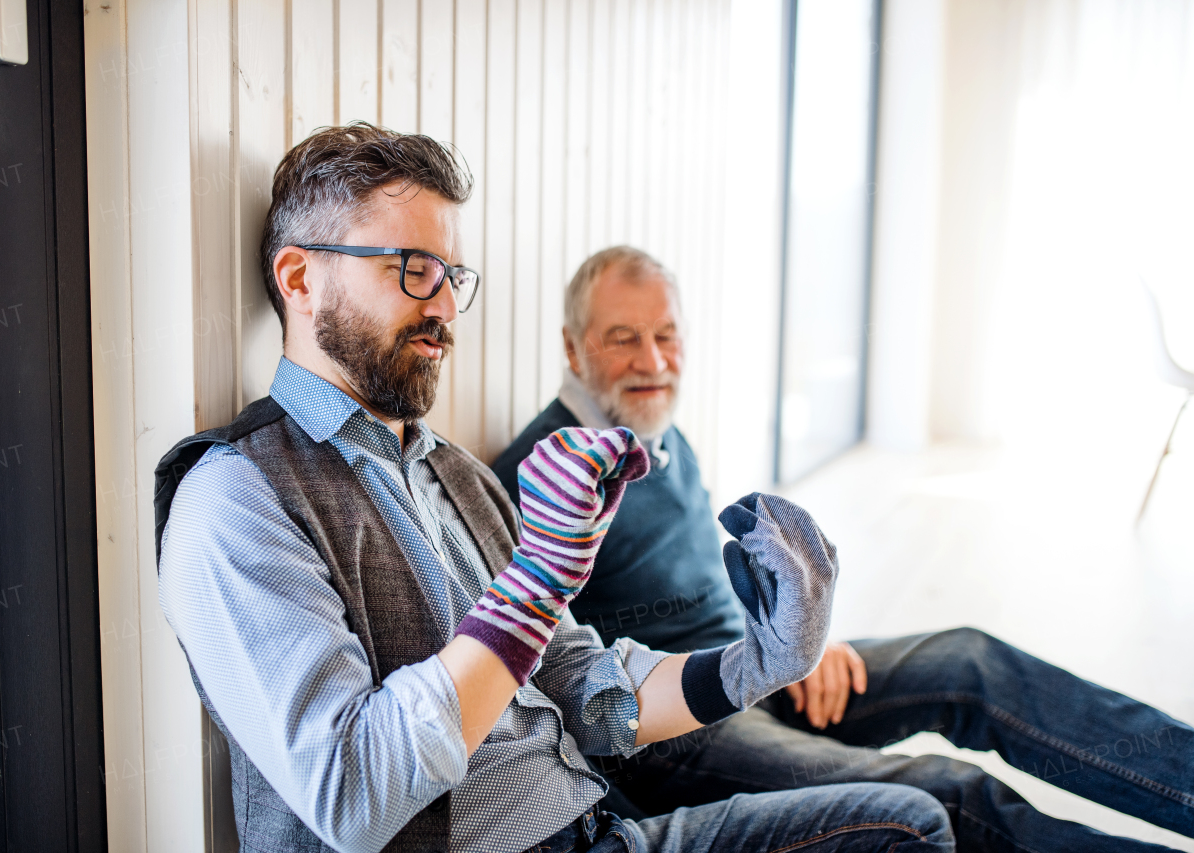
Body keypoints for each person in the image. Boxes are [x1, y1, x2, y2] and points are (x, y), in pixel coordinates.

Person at [153, 124, 958, 853]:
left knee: (909, 822)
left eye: (451, 276)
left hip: (598, 825)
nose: (443, 307)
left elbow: (581, 682)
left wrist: (761, 662)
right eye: (412, 270)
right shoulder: (236, 497)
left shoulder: (454, 474)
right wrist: (538, 577)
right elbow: (352, 794)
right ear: (298, 276)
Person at [492, 245, 1194, 853]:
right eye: (623, 338)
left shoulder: (661, 436)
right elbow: (556, 676)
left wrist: (791, 647)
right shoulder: (542, 471)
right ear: (572, 345)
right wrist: (745, 668)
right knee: (947, 790)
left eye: (667, 335)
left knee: (972, 660)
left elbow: (698, 593)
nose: (653, 361)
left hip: (750, 675)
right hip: (671, 738)